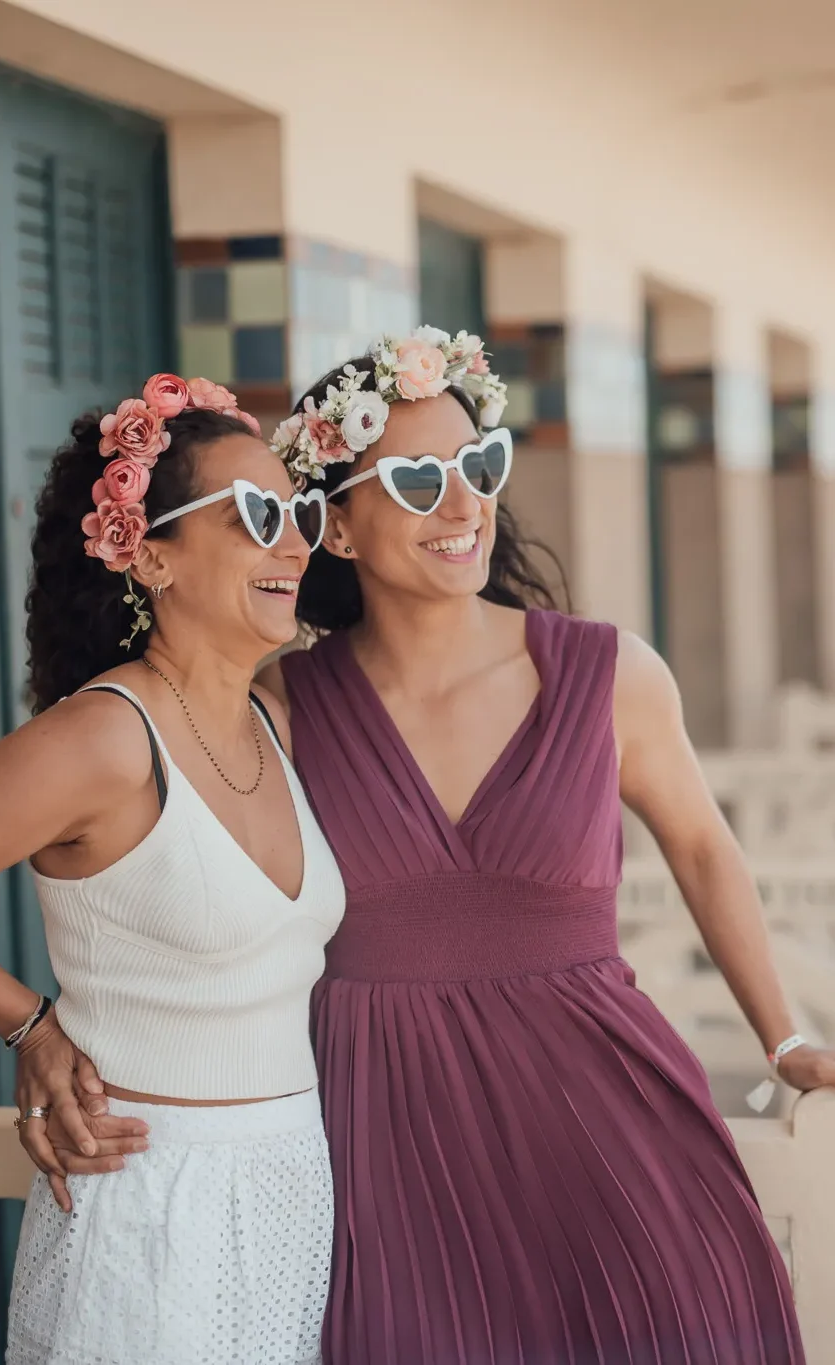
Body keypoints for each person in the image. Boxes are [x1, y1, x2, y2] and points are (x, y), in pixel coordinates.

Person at [252, 328, 835, 1364]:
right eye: (419, 479)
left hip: (609, 1128)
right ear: (334, 529)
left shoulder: (610, 675)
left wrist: (783, 1039)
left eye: (479, 465)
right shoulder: (281, 708)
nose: (463, 502)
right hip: (383, 1143)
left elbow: (704, 849)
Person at [0, 374, 345, 1365]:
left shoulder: (279, 717)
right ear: (149, 554)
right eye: (259, 513)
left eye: (301, 510)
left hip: (292, 1188)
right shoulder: (105, 736)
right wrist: (29, 1022)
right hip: (148, 1204)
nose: (294, 540)